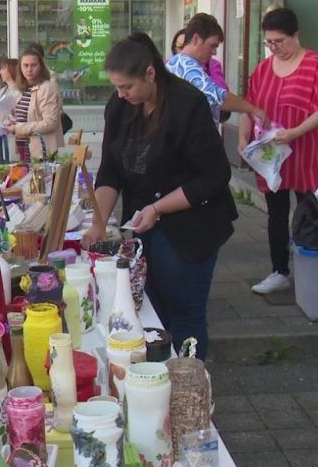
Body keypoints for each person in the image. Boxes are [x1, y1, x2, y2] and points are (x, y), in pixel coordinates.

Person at [82, 33, 237, 360]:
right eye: (117, 88)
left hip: (192, 223)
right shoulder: (121, 106)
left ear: (151, 74)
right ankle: (161, 379)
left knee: (184, 312)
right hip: (145, 221)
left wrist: (158, 207)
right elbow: (110, 168)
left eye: (127, 87)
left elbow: (214, 176)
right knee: (153, 308)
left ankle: (190, 385)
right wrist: (98, 222)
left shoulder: (186, 104)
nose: (121, 95)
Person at [238, 7, 318, 296]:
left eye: (279, 41)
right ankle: (279, 270)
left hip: (306, 152)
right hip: (272, 159)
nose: (274, 48)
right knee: (276, 214)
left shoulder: (314, 65)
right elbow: (249, 105)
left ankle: (316, 270)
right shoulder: (264, 69)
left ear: (296, 35)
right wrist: (243, 137)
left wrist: (294, 133)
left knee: (310, 211)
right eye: (269, 43)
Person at [166, 12, 267, 125]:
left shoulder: (174, 63)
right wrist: (253, 109)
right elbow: (217, 97)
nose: (214, 52)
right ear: (196, 39)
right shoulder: (185, 66)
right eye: (212, 45)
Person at [3, 47, 63, 161]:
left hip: (41, 151)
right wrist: (11, 121)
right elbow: (25, 117)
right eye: (25, 65)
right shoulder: (23, 87)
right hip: (23, 147)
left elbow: (50, 122)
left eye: (33, 65)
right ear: (20, 68)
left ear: (41, 67)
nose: (29, 69)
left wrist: (18, 128)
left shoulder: (46, 87)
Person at [172, 27, 229, 91]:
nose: (184, 50)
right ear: (174, 48)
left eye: (187, 45)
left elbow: (221, 92)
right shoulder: (168, 66)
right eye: (181, 47)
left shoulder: (212, 65)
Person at [0, 58, 22, 163]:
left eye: (2, 68)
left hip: (11, 141)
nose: (0, 72)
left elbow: (16, 118)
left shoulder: (20, 93)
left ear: (11, 70)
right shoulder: (1, 92)